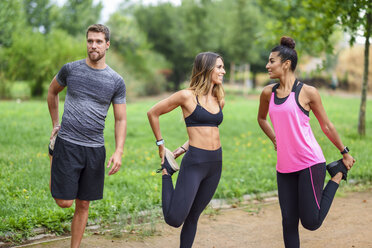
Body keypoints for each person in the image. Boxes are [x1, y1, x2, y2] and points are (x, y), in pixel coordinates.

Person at [257, 36, 355, 248]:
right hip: (284, 167)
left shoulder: (308, 92)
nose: (267, 65)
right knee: (288, 222)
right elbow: (261, 119)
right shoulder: (267, 93)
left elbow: (326, 126)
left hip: (309, 162)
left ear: (286, 64)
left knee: (311, 222)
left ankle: (338, 174)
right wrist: (275, 138)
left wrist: (344, 152)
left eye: (271, 61)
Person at [47, 24, 127, 248]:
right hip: (68, 143)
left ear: (107, 45)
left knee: (83, 205)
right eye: (90, 41)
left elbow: (120, 119)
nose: (93, 45)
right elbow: (52, 92)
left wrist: (119, 150)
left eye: (99, 41)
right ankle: (52, 155)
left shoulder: (116, 81)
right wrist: (56, 124)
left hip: (94, 149)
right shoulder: (70, 70)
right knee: (64, 202)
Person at [147, 52, 226, 248]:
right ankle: (167, 171)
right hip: (196, 163)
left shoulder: (219, 98)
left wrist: (182, 148)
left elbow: (207, 130)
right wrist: (161, 146)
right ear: (206, 69)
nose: (223, 71)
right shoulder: (186, 96)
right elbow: (153, 113)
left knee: (193, 216)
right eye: (219, 67)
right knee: (174, 219)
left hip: (215, 163)